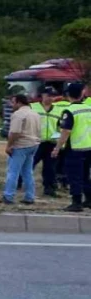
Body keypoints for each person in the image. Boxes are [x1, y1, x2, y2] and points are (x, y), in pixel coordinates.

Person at [52, 83, 91, 212]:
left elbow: (66, 131)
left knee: (74, 176)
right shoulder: (88, 108)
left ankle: (76, 202)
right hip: (88, 147)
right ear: (82, 94)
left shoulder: (69, 111)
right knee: (86, 175)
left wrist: (57, 147)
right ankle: (89, 200)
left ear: (68, 95)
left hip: (75, 149)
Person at [1, 94, 41, 205]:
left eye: (13, 102)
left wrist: (9, 145)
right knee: (28, 172)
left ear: (19, 103)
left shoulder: (18, 114)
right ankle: (30, 196)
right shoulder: (35, 113)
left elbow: (15, 132)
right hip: (34, 144)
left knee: (13, 171)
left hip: (21, 145)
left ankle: (8, 196)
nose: (11, 105)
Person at [31, 87, 63, 197]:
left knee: (50, 167)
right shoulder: (33, 107)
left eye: (53, 96)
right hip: (36, 141)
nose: (50, 98)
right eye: (48, 95)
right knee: (30, 164)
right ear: (42, 95)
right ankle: (20, 182)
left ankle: (49, 188)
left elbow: (60, 127)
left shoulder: (59, 110)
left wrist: (59, 142)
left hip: (51, 142)